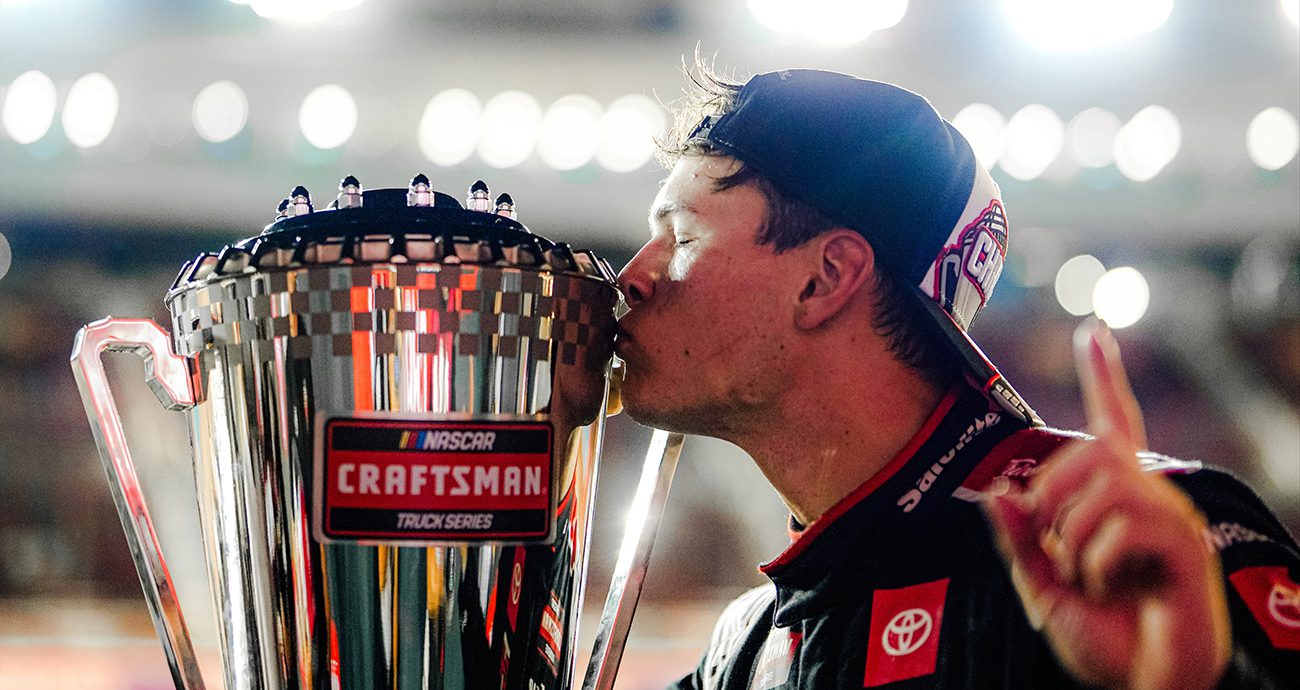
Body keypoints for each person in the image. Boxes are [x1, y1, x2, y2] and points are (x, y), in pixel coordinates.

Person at [613, 65, 1299, 689]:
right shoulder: (748, 646)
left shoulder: (1143, 540)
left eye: (682, 237)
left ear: (825, 278)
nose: (630, 277)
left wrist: (1198, 684)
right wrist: (523, 435)